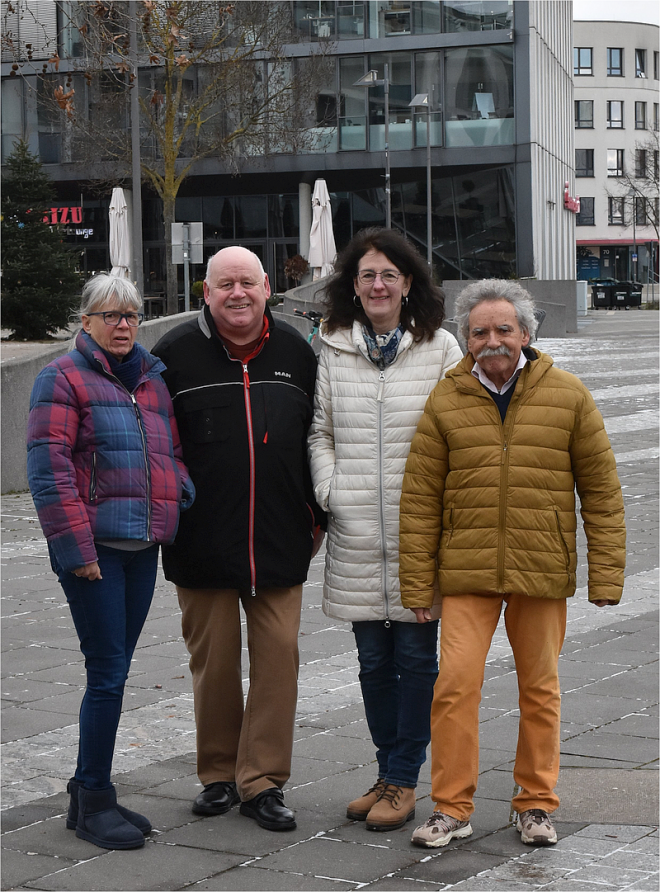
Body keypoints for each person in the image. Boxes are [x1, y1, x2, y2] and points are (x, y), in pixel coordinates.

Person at [399, 279, 626, 849]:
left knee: (541, 689)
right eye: (480, 331)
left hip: (540, 566)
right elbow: (421, 496)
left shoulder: (569, 394)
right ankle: (451, 807)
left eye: (505, 329)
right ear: (465, 339)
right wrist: (417, 584)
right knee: (452, 686)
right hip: (466, 570)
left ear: (527, 333)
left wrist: (607, 574)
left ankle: (535, 803)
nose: (493, 340)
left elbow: (601, 491)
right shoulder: (445, 399)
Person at [152, 246, 325, 832]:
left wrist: (316, 514)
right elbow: (155, 445)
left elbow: (317, 438)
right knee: (214, 666)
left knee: (279, 664)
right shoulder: (173, 353)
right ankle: (219, 776)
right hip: (201, 542)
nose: (237, 294)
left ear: (267, 287)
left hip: (280, 539)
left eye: (247, 282)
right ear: (206, 292)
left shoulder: (297, 353)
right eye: (224, 283)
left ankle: (264, 781)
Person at [27, 275, 195, 850]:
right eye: (109, 316)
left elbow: (167, 450)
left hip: (141, 548)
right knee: (108, 675)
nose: (123, 324)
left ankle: (86, 791)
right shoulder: (61, 377)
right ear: (86, 323)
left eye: (130, 314)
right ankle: (95, 797)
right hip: (95, 553)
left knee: (115, 669)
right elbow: (48, 473)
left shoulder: (149, 378)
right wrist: (77, 552)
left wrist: (181, 493)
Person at [308, 228, 463, 831]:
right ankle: (387, 771)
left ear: (408, 285)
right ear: (354, 284)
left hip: (419, 536)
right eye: (368, 275)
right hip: (356, 536)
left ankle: (403, 779)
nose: (378, 285)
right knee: (372, 664)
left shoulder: (442, 348)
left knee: (418, 661)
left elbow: (461, 431)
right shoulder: (333, 346)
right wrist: (330, 490)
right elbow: (320, 431)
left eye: (389, 275)